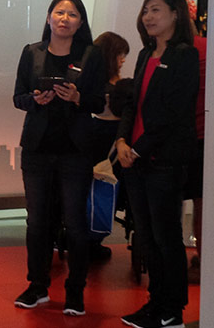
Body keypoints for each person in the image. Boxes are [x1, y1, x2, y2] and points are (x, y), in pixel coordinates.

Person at [12, 0, 106, 317]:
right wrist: (34, 100)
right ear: (49, 17)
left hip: (75, 151)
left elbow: (99, 103)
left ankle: (75, 291)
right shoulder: (32, 52)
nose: (64, 19)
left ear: (81, 23)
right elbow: (18, 97)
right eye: (59, 12)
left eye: (72, 14)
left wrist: (78, 97)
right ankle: (37, 286)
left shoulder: (92, 55)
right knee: (37, 221)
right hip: (37, 149)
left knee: (75, 223)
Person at [116, 0, 199, 328]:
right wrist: (122, 140)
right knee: (147, 237)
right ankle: (155, 303)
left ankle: (172, 310)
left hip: (163, 160)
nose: (148, 17)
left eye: (156, 10)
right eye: (145, 10)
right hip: (135, 159)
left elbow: (173, 113)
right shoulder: (144, 53)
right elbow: (132, 103)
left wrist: (137, 148)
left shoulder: (184, 56)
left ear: (175, 14)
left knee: (167, 238)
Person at [89, 31, 133, 261]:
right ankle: (95, 235)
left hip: (97, 137)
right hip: (116, 139)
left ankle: (91, 235)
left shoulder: (91, 85)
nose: (123, 59)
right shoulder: (123, 88)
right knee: (110, 187)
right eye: (120, 55)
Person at [185, 29, 206, 285]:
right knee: (203, 203)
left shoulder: (178, 52)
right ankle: (205, 256)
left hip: (183, 136)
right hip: (207, 135)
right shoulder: (209, 47)